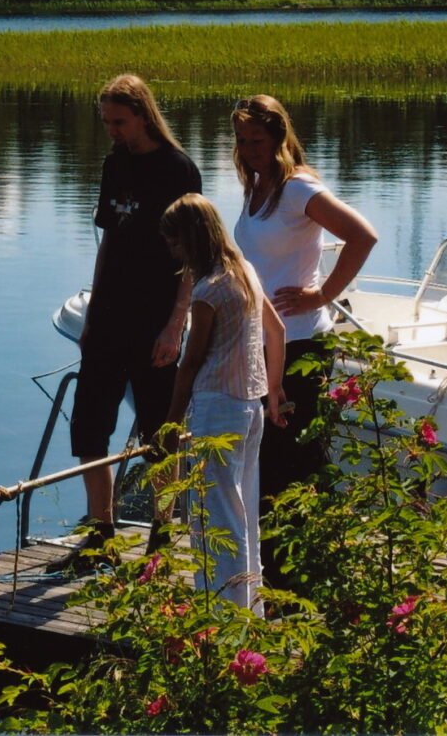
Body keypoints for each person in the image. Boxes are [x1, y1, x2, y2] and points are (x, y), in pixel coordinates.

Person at [47, 74, 202, 574]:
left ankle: (162, 538)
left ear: (142, 114)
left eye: (118, 121)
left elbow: (195, 256)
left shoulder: (178, 170)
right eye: (106, 122)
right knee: (89, 425)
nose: (111, 130)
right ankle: (100, 536)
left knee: (161, 432)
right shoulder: (114, 165)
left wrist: (177, 321)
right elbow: (109, 240)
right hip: (110, 315)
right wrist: (92, 314)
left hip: (156, 315)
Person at [231, 94, 378, 586]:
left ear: (279, 136)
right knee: (272, 459)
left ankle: (296, 578)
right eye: (243, 139)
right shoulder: (258, 187)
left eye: (259, 139)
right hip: (264, 341)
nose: (250, 148)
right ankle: (280, 573)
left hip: (298, 346)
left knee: (289, 460)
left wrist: (322, 294)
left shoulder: (297, 188)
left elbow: (362, 236)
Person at [160, 193, 287, 613]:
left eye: (176, 243)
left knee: (212, 517)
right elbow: (278, 331)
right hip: (251, 406)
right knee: (243, 512)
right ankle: (250, 609)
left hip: (217, 408)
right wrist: (273, 390)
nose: (173, 252)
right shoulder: (246, 272)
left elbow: (190, 361)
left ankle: (223, 614)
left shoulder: (209, 288)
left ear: (194, 239)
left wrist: (173, 423)